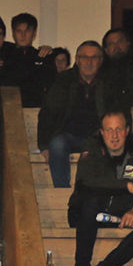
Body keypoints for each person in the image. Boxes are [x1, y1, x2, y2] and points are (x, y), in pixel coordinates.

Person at [68, 111, 133, 266]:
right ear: (102, 132)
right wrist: (127, 185)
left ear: (127, 130)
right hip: (87, 215)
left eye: (119, 129)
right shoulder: (92, 149)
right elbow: (87, 181)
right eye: (109, 130)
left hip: (121, 213)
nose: (114, 135)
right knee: (90, 199)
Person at [38, 41, 106, 189]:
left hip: (99, 137)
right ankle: (62, 190)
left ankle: (94, 192)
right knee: (56, 144)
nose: (89, 62)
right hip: (68, 136)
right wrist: (43, 144)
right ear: (77, 59)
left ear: (100, 60)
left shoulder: (108, 82)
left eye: (94, 57)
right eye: (84, 57)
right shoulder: (63, 80)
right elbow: (47, 111)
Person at [0, 12, 56, 107]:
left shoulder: (42, 56)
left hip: (37, 109)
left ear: (34, 33)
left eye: (27, 31)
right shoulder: (4, 56)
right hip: (9, 109)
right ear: (13, 33)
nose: (23, 35)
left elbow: (52, 87)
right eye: (19, 31)